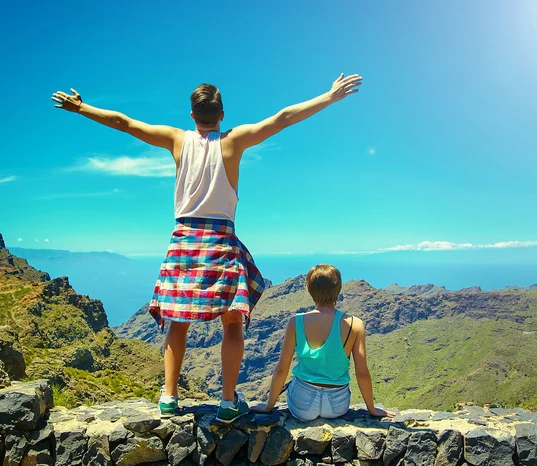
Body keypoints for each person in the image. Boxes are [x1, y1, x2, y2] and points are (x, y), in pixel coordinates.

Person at [51, 74, 363, 422]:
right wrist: (329, 97)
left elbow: (124, 123)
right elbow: (283, 118)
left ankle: (169, 397)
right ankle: (228, 401)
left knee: (177, 322)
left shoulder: (176, 140)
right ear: (222, 114)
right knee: (232, 324)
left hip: (184, 241)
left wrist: (81, 109)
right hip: (221, 241)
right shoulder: (234, 141)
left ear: (191, 115)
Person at [253, 264, 394, 420]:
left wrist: (269, 406)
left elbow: (281, 369)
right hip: (337, 406)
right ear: (338, 289)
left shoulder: (296, 322)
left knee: (294, 382)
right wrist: (372, 409)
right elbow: (362, 373)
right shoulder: (356, 325)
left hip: (302, 404)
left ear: (308, 289)